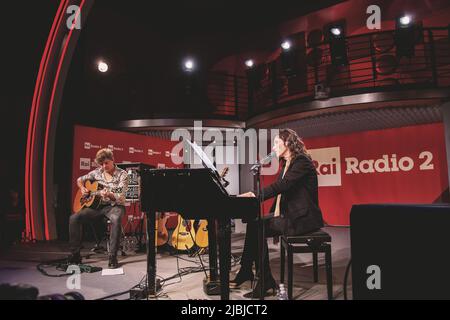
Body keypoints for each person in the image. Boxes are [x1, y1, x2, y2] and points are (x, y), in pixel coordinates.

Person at [234, 128, 324, 298]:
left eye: (276, 143)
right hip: (290, 214)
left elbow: (281, 187)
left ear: (288, 143)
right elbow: (279, 196)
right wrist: (267, 213)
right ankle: (249, 271)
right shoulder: (287, 164)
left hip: (303, 218)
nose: (273, 148)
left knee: (257, 226)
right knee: (255, 223)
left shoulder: (301, 161)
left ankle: (263, 279)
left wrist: (255, 195)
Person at [68, 148, 129, 268]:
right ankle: (75, 255)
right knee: (74, 218)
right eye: (101, 164)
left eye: (106, 163)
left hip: (114, 206)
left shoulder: (123, 175)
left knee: (116, 219)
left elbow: (120, 195)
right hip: (97, 207)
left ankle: (112, 257)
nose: (104, 166)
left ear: (112, 160)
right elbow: (79, 180)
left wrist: (109, 194)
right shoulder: (97, 172)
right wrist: (82, 188)